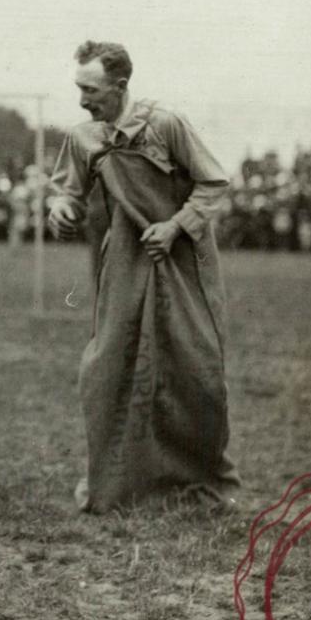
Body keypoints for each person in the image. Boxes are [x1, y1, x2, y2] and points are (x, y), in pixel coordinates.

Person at [48, 40, 239, 513]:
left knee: (196, 372)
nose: (82, 101)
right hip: (124, 262)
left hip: (182, 262)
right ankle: (119, 482)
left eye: (90, 90)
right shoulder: (83, 137)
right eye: (78, 89)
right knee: (108, 367)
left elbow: (213, 182)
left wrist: (176, 226)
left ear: (121, 85)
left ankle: (198, 479)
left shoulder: (166, 124)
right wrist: (62, 209)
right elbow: (65, 191)